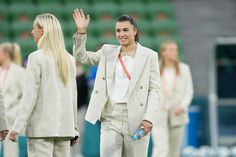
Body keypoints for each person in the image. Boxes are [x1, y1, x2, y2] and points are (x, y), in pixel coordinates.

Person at [73, 9, 161, 157]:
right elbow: (81, 57)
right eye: (118, 30)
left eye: (125, 30)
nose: (121, 34)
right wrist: (81, 32)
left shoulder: (150, 56)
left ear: (135, 31)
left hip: (137, 118)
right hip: (110, 116)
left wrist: (149, 118)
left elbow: (154, 90)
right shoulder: (107, 51)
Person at [8, 13, 78, 157]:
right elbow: (73, 97)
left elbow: (29, 96)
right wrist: (74, 128)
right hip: (65, 130)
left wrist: (16, 127)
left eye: (34, 28)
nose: (32, 32)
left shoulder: (35, 58)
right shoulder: (69, 59)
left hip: (41, 130)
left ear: (42, 30)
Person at [151, 41, 193, 157]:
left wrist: (183, 106)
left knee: (174, 150)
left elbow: (189, 92)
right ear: (163, 52)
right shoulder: (155, 68)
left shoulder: (184, 69)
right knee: (160, 147)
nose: (174, 52)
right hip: (159, 113)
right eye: (170, 49)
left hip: (178, 113)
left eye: (175, 49)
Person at [0, 42, 25, 157]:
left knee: (10, 152)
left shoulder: (19, 71)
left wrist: (16, 112)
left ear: (5, 54)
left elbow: (26, 95)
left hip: (10, 117)